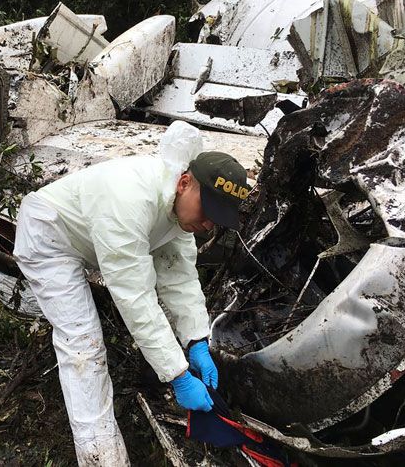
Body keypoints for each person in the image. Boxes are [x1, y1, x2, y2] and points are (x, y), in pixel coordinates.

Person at [13, 121, 251, 466]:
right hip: (49, 234)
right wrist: (178, 375)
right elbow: (136, 297)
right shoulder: (130, 199)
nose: (208, 225)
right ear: (185, 182)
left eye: (218, 218)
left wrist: (196, 339)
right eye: (208, 211)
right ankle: (101, 458)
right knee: (83, 345)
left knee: (100, 333)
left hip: (88, 238)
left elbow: (180, 279)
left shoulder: (177, 209)